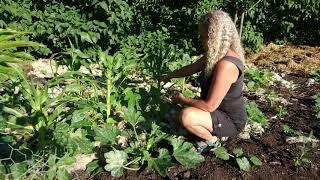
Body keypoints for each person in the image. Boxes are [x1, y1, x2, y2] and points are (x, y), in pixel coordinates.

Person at [158, 10, 247, 154]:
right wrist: (168, 75)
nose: (200, 38)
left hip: (230, 121)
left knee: (186, 116)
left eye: (204, 35)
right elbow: (191, 68)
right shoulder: (217, 55)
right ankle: (209, 130)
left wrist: (183, 99)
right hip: (217, 113)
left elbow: (209, 106)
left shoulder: (226, 65)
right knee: (179, 115)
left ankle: (212, 140)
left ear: (214, 37)